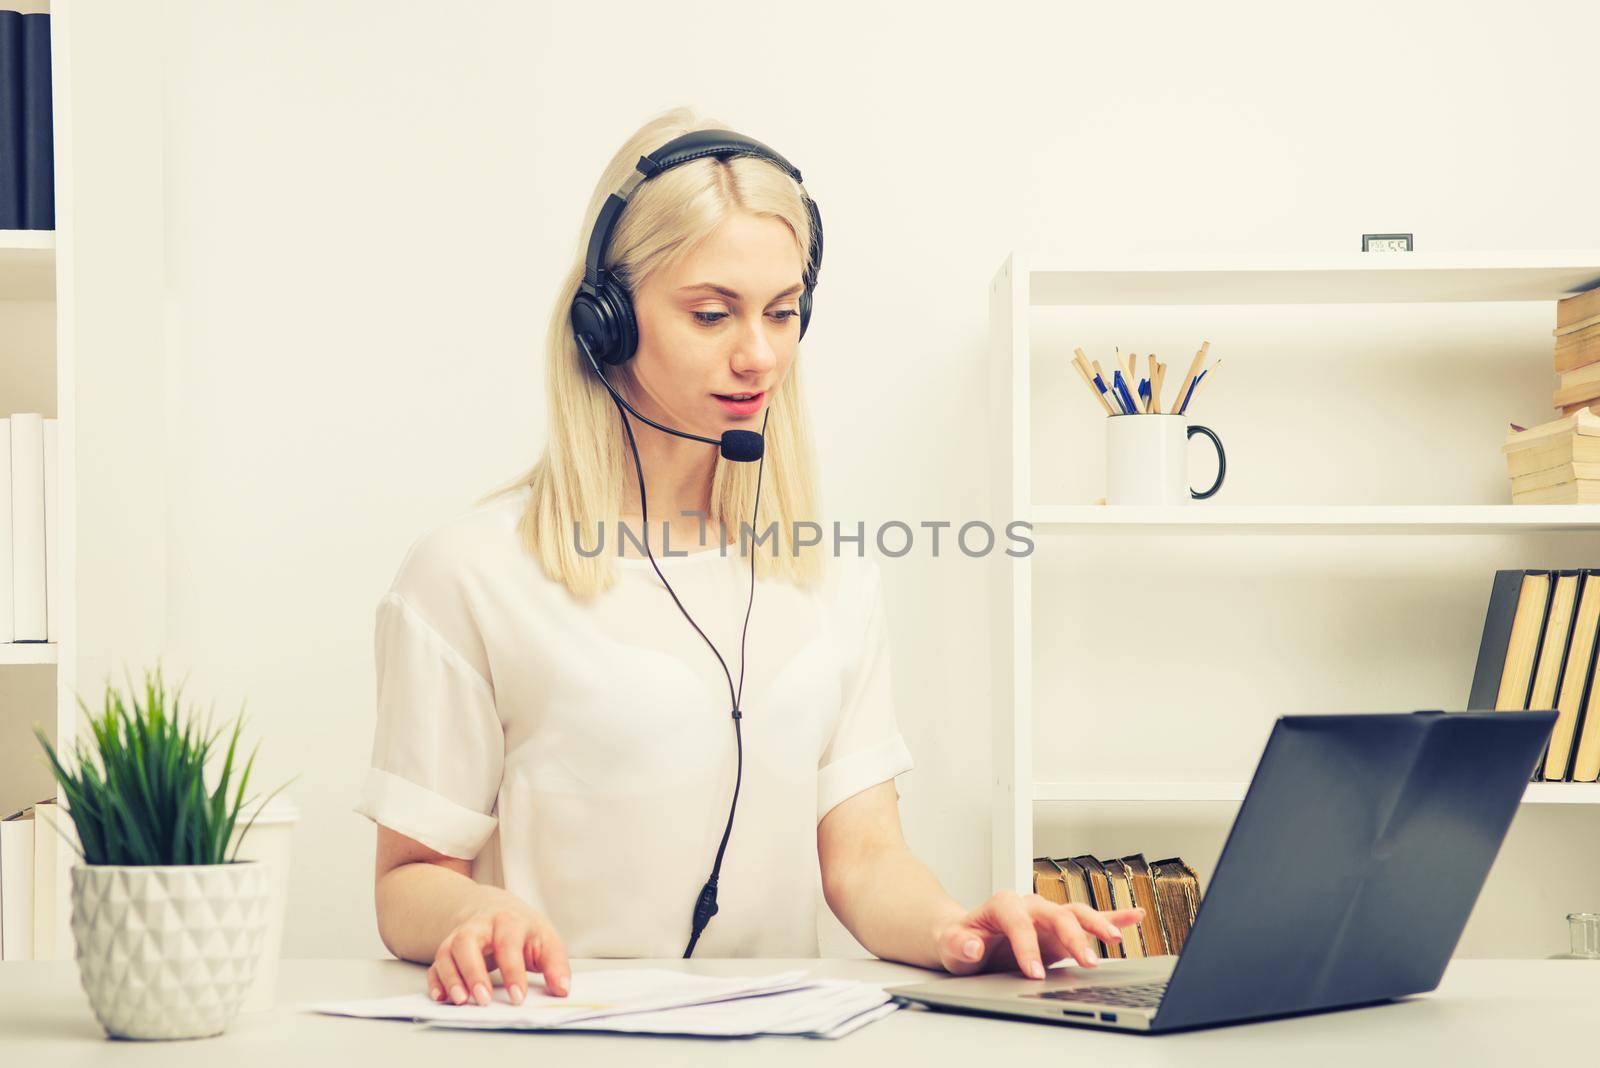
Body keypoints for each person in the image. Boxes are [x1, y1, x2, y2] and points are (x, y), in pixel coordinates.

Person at [355, 106, 1142, 1009]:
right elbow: (408, 879)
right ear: (605, 319)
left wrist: (955, 929)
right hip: (566, 1038)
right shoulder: (470, 572)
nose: (759, 355)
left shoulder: (831, 578)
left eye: (782, 313)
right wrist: (473, 915)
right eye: (710, 313)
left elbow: (864, 857)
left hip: (779, 1043)